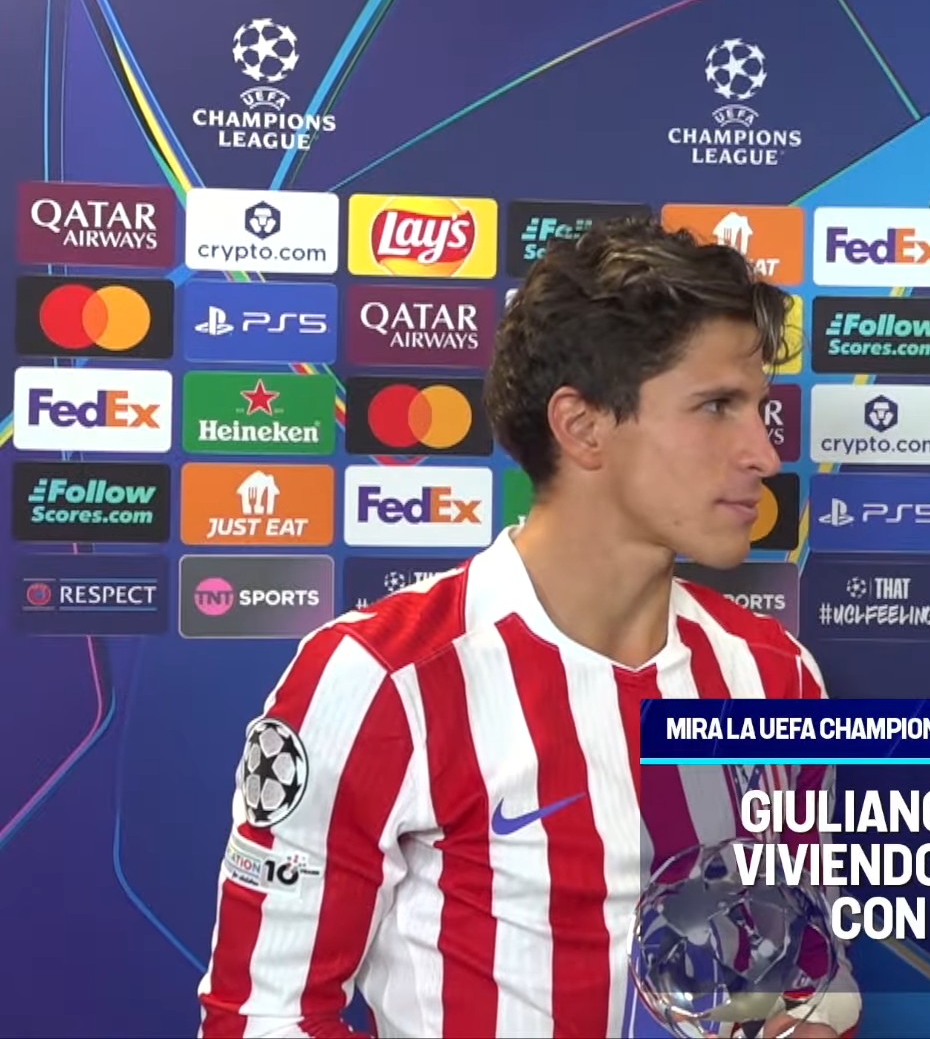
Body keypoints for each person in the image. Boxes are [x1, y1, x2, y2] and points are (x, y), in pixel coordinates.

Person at [198, 218, 855, 1038]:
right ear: (582, 427)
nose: (764, 453)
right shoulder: (383, 679)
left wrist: (815, 1016)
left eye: (760, 409)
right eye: (717, 406)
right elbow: (265, 1016)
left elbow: (809, 963)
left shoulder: (775, 674)